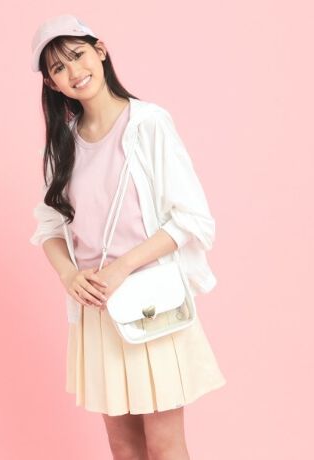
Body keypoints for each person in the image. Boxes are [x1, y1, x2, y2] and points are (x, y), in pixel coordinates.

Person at [29, 13, 227, 460]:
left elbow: (191, 219)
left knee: (164, 445)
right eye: (59, 67)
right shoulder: (62, 145)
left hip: (151, 302)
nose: (74, 71)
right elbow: (50, 228)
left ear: (100, 50)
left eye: (78, 55)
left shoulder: (148, 123)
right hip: (98, 310)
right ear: (51, 83)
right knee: (123, 447)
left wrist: (122, 267)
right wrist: (69, 276)